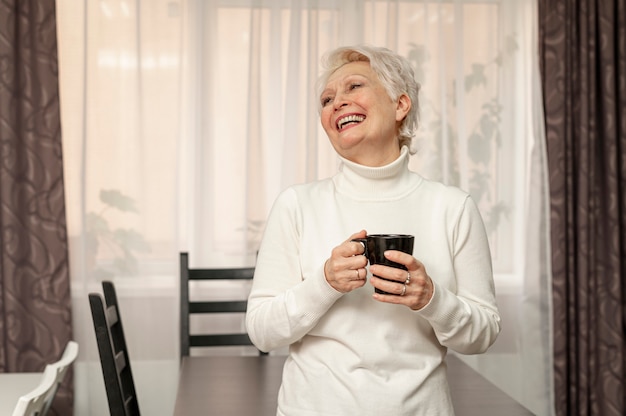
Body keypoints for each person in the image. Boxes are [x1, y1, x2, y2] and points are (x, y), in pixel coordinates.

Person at [245, 45, 500, 416]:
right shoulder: (296, 205)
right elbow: (262, 332)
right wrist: (324, 284)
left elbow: (484, 333)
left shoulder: (452, 207)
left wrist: (431, 298)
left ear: (400, 105)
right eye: (327, 98)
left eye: (354, 87)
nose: (337, 103)